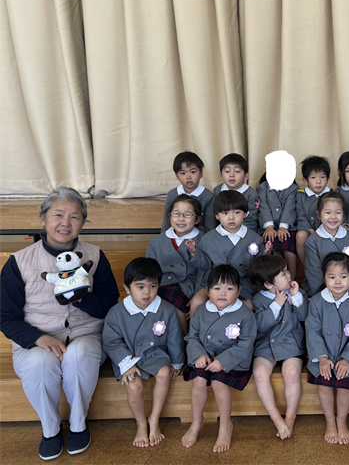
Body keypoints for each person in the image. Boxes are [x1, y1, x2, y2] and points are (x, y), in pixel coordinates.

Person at [0, 187, 119, 460]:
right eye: (58, 215)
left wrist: (81, 299)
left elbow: (109, 304)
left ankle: (78, 425)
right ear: (43, 218)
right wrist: (37, 338)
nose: (66, 223)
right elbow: (5, 316)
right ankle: (50, 430)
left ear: (82, 223)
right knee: (39, 362)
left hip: (87, 335)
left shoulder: (95, 256)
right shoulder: (19, 261)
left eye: (74, 216)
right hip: (36, 339)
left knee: (79, 353)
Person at [102, 258, 184, 447]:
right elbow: (111, 342)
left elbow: (174, 338)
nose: (147, 292)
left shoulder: (166, 309)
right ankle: (141, 424)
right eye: (140, 287)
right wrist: (126, 364)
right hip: (128, 356)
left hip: (156, 354)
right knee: (134, 385)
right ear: (127, 288)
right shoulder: (116, 312)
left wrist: (176, 362)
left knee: (164, 374)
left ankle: (154, 418)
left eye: (153, 286)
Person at [181, 265, 257, 453]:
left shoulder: (245, 314)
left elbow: (246, 343)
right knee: (199, 380)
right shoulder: (200, 311)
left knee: (218, 382)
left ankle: (225, 425)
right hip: (205, 357)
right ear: (207, 291)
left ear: (238, 292)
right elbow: (192, 337)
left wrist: (223, 361)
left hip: (232, 361)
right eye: (217, 288)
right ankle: (197, 421)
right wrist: (199, 354)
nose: (223, 293)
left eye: (229, 288)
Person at [306, 253, 349, 445]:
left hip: (347, 358)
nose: (338, 282)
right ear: (324, 278)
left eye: (343, 276)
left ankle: (341, 421)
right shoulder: (317, 301)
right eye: (332, 277)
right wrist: (322, 358)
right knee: (324, 386)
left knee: (344, 389)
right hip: (323, 357)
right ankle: (330, 421)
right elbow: (312, 330)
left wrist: (348, 359)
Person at [248, 255, 308, 440]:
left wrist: (296, 296)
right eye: (283, 274)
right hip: (266, 345)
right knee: (259, 373)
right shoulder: (258, 300)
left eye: (287, 271)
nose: (289, 275)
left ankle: (290, 416)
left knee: (291, 372)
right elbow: (260, 326)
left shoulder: (296, 292)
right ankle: (276, 417)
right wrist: (276, 304)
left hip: (291, 343)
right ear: (268, 284)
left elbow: (304, 316)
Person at [188, 191, 273, 313]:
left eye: (237, 212)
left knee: (248, 306)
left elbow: (259, 266)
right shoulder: (208, 238)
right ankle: (194, 326)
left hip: (242, 284)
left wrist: (266, 253)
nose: (231, 217)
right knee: (196, 303)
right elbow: (204, 264)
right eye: (225, 213)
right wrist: (194, 253)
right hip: (214, 284)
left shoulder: (254, 238)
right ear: (217, 216)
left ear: (245, 214)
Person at [146, 195, 204, 336]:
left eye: (187, 215)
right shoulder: (157, 242)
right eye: (176, 214)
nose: (181, 219)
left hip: (189, 285)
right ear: (169, 216)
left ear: (197, 219)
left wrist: (199, 292)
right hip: (161, 283)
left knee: (174, 295)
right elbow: (149, 270)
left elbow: (206, 270)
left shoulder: (204, 239)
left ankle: (184, 337)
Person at [302, 192, 349, 295]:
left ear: (344, 214)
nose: (333, 217)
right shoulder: (312, 241)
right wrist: (325, 296)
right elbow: (314, 273)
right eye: (328, 212)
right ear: (318, 214)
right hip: (323, 291)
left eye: (338, 212)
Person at [257, 173, 299, 279]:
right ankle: (277, 280)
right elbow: (263, 207)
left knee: (289, 249)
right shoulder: (262, 188)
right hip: (267, 228)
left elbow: (290, 207)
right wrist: (269, 227)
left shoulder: (293, 188)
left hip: (287, 227)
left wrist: (283, 227)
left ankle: (292, 278)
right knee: (272, 249)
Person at [161, 151, 215, 233]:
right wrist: (164, 238)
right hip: (176, 236)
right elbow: (167, 223)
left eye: (193, 172)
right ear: (177, 176)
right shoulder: (172, 195)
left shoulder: (209, 197)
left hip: (199, 238)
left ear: (201, 173)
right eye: (183, 173)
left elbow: (210, 227)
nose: (188, 177)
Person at [295, 155, 331, 265]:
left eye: (322, 177)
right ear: (305, 180)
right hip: (308, 229)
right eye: (313, 177)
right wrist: (311, 231)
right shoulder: (300, 196)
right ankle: (306, 268)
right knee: (301, 236)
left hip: (328, 228)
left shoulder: (332, 195)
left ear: (328, 179)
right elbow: (301, 216)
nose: (318, 181)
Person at [212, 153, 260, 232]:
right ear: (221, 176)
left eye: (237, 171)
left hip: (244, 232)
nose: (232, 174)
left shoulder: (251, 194)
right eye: (227, 171)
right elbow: (215, 216)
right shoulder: (217, 190)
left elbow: (251, 220)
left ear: (246, 176)